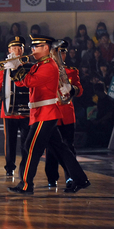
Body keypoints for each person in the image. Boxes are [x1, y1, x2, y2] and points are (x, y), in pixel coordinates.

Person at [6, 34, 90, 195]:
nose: (32, 50)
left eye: (35, 47)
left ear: (46, 48)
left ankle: (26, 185)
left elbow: (30, 81)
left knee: (30, 147)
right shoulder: (40, 65)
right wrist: (14, 68)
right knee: (61, 149)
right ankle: (80, 179)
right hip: (42, 113)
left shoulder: (48, 66)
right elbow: (21, 82)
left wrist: (17, 67)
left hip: (45, 114)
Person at [45, 40, 83, 188]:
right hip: (52, 113)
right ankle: (52, 177)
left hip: (67, 114)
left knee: (69, 146)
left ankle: (71, 177)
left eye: (63, 52)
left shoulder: (72, 71)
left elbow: (80, 91)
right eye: (57, 52)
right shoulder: (47, 69)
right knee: (51, 148)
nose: (60, 55)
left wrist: (71, 88)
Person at [0, 36, 30, 177]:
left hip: (26, 110)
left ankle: (25, 167)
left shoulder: (28, 66)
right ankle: (9, 167)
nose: (17, 50)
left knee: (27, 141)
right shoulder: (3, 67)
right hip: (9, 110)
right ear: (9, 50)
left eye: (20, 47)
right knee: (10, 141)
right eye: (14, 48)